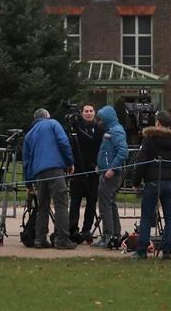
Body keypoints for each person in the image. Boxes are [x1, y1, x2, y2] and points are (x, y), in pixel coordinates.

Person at [132, 111, 171, 260]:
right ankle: (167, 250)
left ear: (157, 123)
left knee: (146, 217)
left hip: (152, 181)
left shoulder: (149, 139)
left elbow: (141, 161)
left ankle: (142, 250)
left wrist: (136, 182)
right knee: (169, 216)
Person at [22, 108, 75, 250]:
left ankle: (40, 239)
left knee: (42, 206)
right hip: (55, 168)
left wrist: (28, 183)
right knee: (61, 204)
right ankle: (62, 239)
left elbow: (26, 161)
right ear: (47, 116)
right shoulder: (53, 124)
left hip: (39, 172)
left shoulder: (29, 134)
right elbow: (63, 142)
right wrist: (69, 162)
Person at [92, 105, 128, 249]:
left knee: (105, 204)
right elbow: (108, 152)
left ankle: (108, 235)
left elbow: (123, 152)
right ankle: (115, 234)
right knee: (110, 204)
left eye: (100, 119)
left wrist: (112, 168)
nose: (99, 121)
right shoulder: (111, 130)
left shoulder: (116, 131)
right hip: (106, 172)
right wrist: (101, 166)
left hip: (111, 175)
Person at [68, 104, 103, 243]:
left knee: (92, 200)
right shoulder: (77, 128)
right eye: (86, 111)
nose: (89, 113)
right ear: (82, 113)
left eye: (91, 111)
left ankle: (86, 229)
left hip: (93, 169)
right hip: (78, 169)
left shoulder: (99, 128)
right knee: (75, 200)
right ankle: (72, 228)